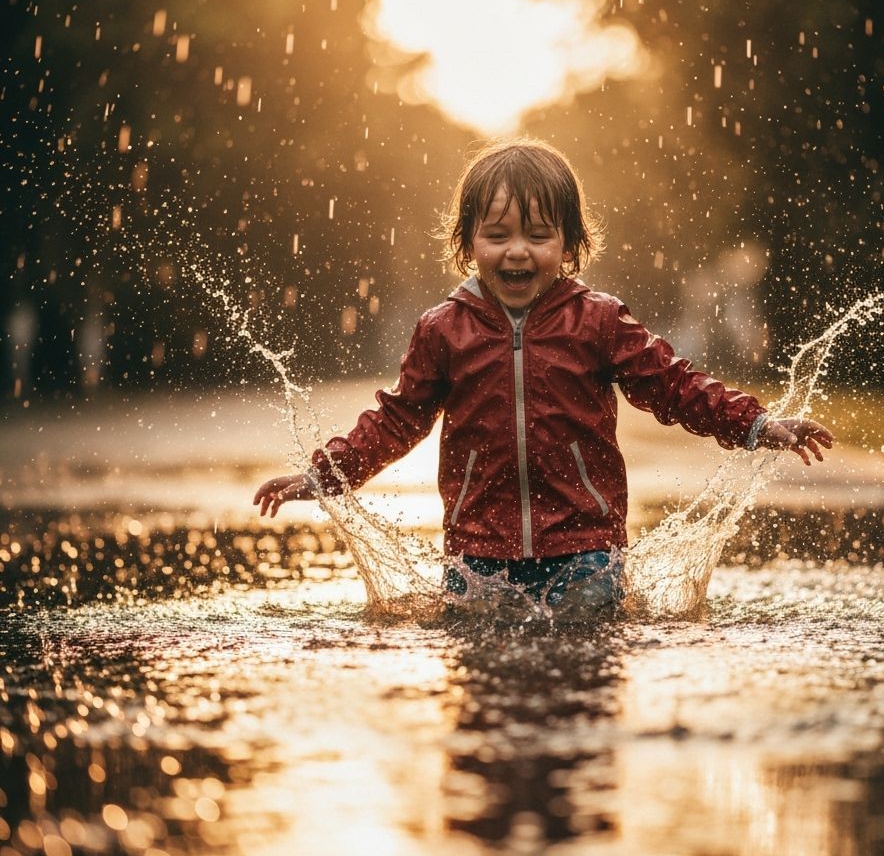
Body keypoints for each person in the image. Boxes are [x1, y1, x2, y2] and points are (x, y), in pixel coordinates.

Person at [253, 138, 833, 611]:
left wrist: (756, 423)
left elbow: (673, 384)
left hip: (587, 549)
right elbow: (396, 420)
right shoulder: (443, 329)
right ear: (468, 241)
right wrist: (324, 475)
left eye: (538, 235)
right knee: (483, 678)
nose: (517, 252)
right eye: (497, 235)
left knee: (585, 669)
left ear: (569, 242)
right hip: (477, 555)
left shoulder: (598, 321)